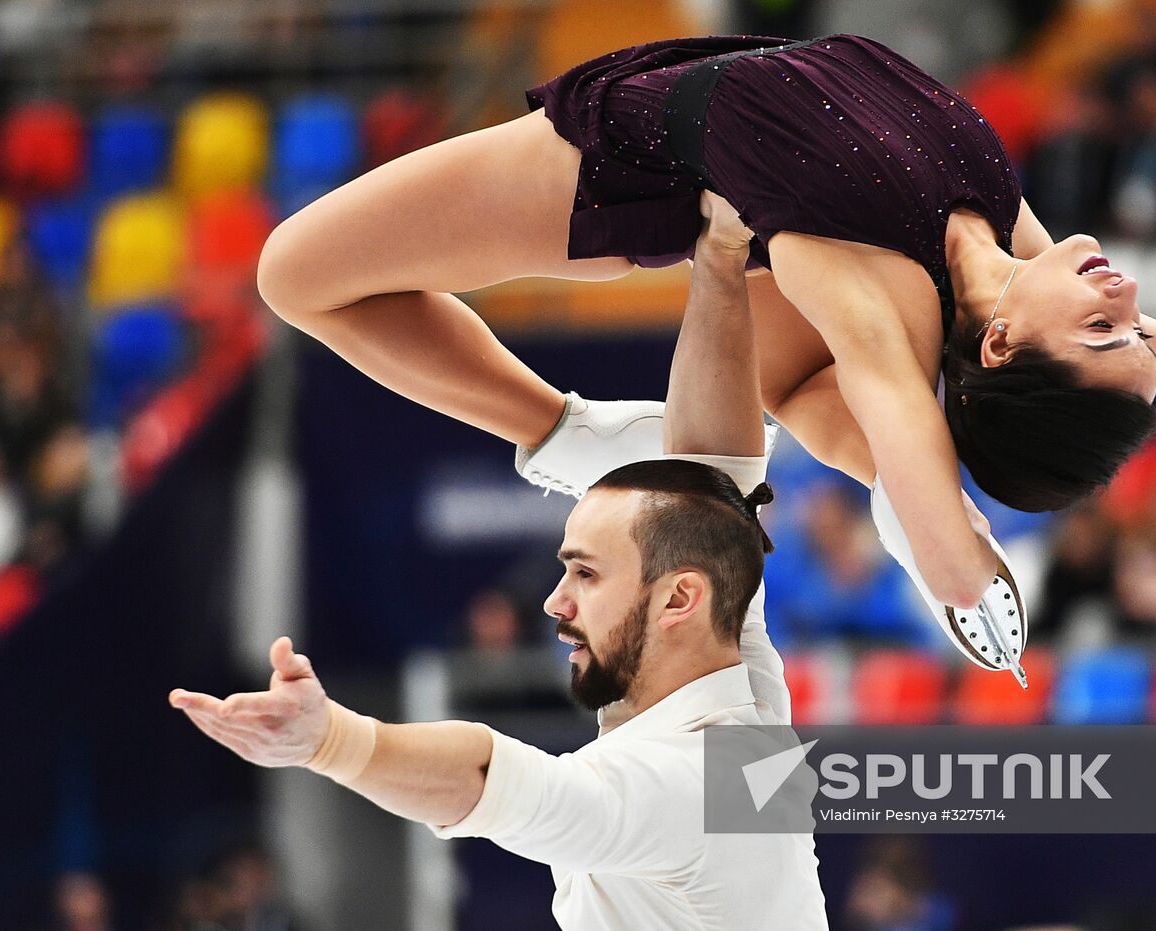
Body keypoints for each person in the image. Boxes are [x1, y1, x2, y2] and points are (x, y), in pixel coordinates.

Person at [255, 33, 1156, 619]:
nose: (1126, 301)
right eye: (1131, 331)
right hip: (733, 130)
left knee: (294, 273)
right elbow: (1052, 339)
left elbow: (918, 427)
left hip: (624, 160)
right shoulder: (1002, 236)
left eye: (1104, 333)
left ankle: (562, 434)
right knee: (802, 391)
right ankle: (826, 471)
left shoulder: (869, 284)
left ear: (1000, 345)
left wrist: (958, 560)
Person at [171, 194, 830, 930]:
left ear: (677, 600)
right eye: (573, 570)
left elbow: (492, 776)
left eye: (584, 572)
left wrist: (335, 740)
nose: (553, 602)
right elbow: (724, 481)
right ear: (683, 599)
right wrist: (719, 256)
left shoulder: (697, 776)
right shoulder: (732, 701)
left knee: (297, 276)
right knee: (296, 275)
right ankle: (593, 444)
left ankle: (586, 440)